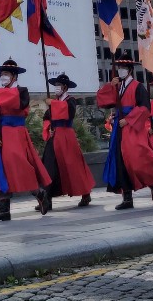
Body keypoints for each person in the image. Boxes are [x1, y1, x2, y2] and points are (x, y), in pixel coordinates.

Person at [0, 59, 52, 222]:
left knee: (19, 165)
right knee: (1, 170)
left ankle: (39, 193)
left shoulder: (22, 91)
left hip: (16, 134)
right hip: (0, 135)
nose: (3, 77)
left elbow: (18, 104)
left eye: (6, 74)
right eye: (1, 74)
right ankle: (3, 211)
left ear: (14, 76)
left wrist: (0, 93)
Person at [96, 52, 153, 209]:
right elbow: (104, 100)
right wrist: (110, 86)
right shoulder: (117, 86)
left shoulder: (138, 87)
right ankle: (127, 198)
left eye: (124, 68)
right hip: (119, 127)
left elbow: (145, 108)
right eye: (119, 68)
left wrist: (129, 119)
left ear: (130, 70)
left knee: (138, 158)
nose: (121, 70)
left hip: (132, 127)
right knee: (119, 161)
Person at [40, 73, 94, 209]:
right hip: (54, 136)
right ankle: (47, 197)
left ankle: (85, 192)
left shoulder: (70, 100)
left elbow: (68, 113)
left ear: (64, 87)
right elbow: (46, 117)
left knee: (73, 164)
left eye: (58, 85)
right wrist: (48, 128)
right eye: (55, 85)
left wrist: (53, 103)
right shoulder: (55, 101)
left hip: (66, 135)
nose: (56, 88)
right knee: (48, 164)